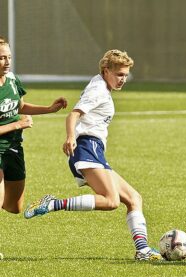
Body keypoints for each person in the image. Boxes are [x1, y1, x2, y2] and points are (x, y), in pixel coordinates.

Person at [24, 49, 161, 261]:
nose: (123, 79)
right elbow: (73, 115)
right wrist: (71, 137)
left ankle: (142, 250)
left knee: (134, 198)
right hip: (87, 147)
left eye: (125, 75)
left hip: (93, 149)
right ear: (106, 71)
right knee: (111, 201)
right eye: (119, 74)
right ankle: (52, 203)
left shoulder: (100, 85)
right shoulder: (98, 89)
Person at [0, 38, 67, 214]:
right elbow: (18, 119)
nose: (7, 62)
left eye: (9, 57)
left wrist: (50, 109)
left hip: (13, 148)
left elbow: (20, 106)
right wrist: (17, 125)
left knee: (14, 207)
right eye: (1, 58)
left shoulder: (13, 80)